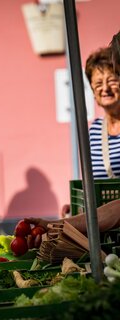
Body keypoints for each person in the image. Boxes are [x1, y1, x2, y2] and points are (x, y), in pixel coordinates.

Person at [61, 47, 120, 216]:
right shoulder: (94, 130)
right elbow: (93, 181)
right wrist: (76, 207)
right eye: (98, 83)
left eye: (112, 80)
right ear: (94, 92)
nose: (105, 88)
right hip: (104, 221)